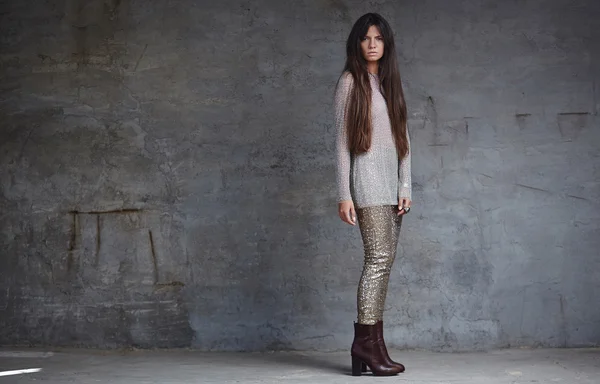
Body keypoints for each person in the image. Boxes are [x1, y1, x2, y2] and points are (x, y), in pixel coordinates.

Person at [334, 12, 412, 376]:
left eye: (378, 38)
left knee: (384, 263)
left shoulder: (390, 83)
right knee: (378, 260)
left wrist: (405, 185)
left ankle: (373, 345)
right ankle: (365, 344)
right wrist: (343, 193)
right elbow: (340, 143)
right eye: (366, 38)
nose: (372, 44)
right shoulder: (351, 82)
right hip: (366, 183)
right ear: (358, 43)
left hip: (392, 188)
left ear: (386, 43)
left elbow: (404, 140)